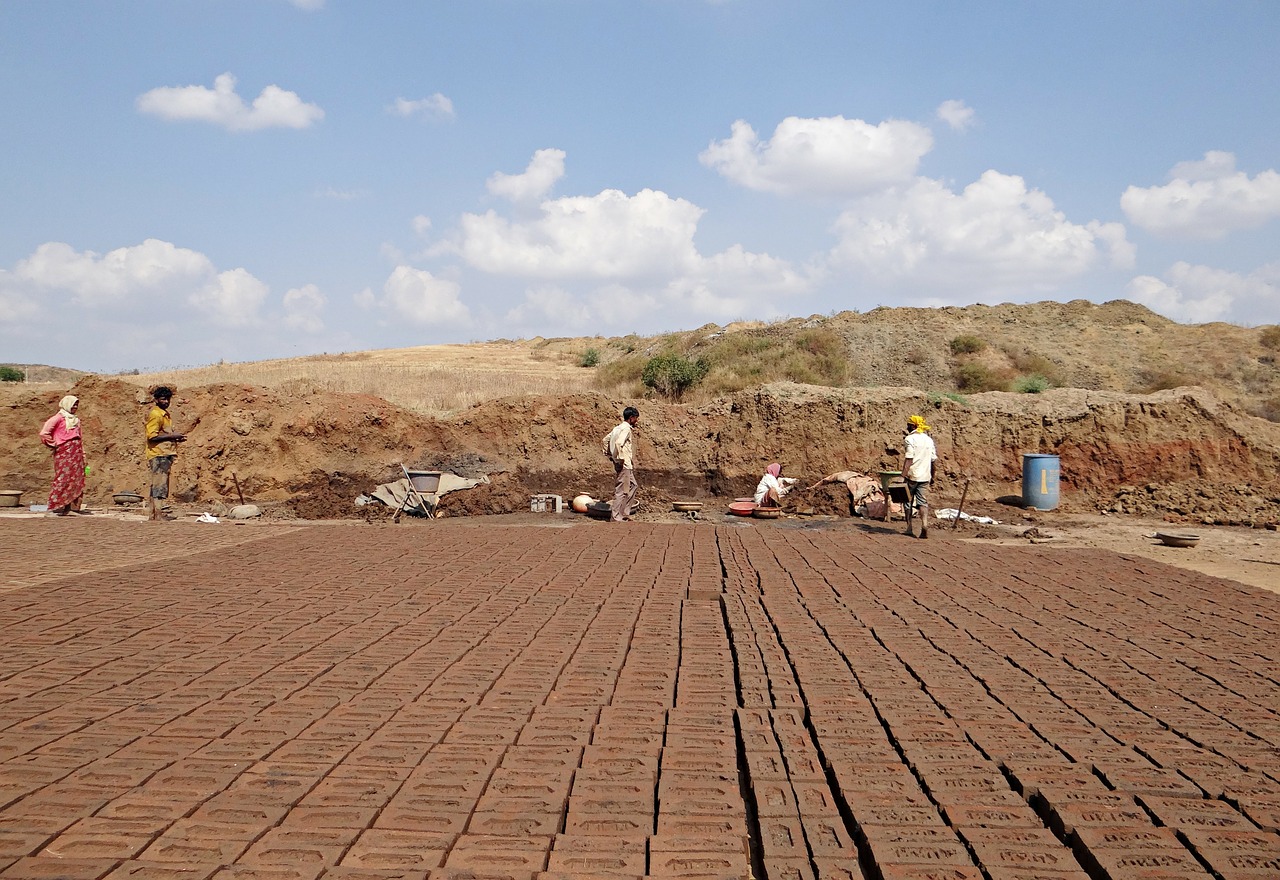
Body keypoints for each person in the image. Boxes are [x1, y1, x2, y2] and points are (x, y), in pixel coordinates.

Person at [40, 395, 89, 516]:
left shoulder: (76, 420)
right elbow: (44, 433)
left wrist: (83, 454)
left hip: (76, 452)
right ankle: (53, 506)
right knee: (63, 478)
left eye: (77, 404)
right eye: (73, 404)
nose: (75, 407)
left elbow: (80, 438)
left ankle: (70, 508)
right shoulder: (58, 418)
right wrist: (55, 444)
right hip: (64, 452)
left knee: (76, 479)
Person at [145, 386, 187, 521]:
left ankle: (153, 514)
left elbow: (163, 434)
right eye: (163, 399)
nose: (166, 402)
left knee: (157, 484)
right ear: (156, 400)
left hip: (164, 453)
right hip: (159, 454)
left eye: (168, 399)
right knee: (160, 485)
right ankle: (158, 514)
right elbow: (152, 436)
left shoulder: (164, 414)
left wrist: (174, 437)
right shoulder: (156, 415)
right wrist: (172, 436)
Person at [902, 414, 938, 538]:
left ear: (913, 426)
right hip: (925, 476)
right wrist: (932, 476)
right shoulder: (928, 439)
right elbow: (933, 461)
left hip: (912, 476)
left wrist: (903, 475)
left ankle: (909, 528)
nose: (907, 427)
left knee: (907, 501)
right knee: (922, 502)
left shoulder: (909, 439)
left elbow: (909, 459)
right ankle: (924, 524)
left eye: (908, 425)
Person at [603, 406, 639, 523]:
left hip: (624, 464)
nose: (637, 421)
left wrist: (608, 453)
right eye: (636, 418)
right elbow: (619, 442)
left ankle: (624, 512)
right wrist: (620, 458)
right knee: (622, 491)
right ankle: (616, 517)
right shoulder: (626, 429)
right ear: (631, 418)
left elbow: (605, 440)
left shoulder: (616, 428)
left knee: (633, 486)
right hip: (624, 465)